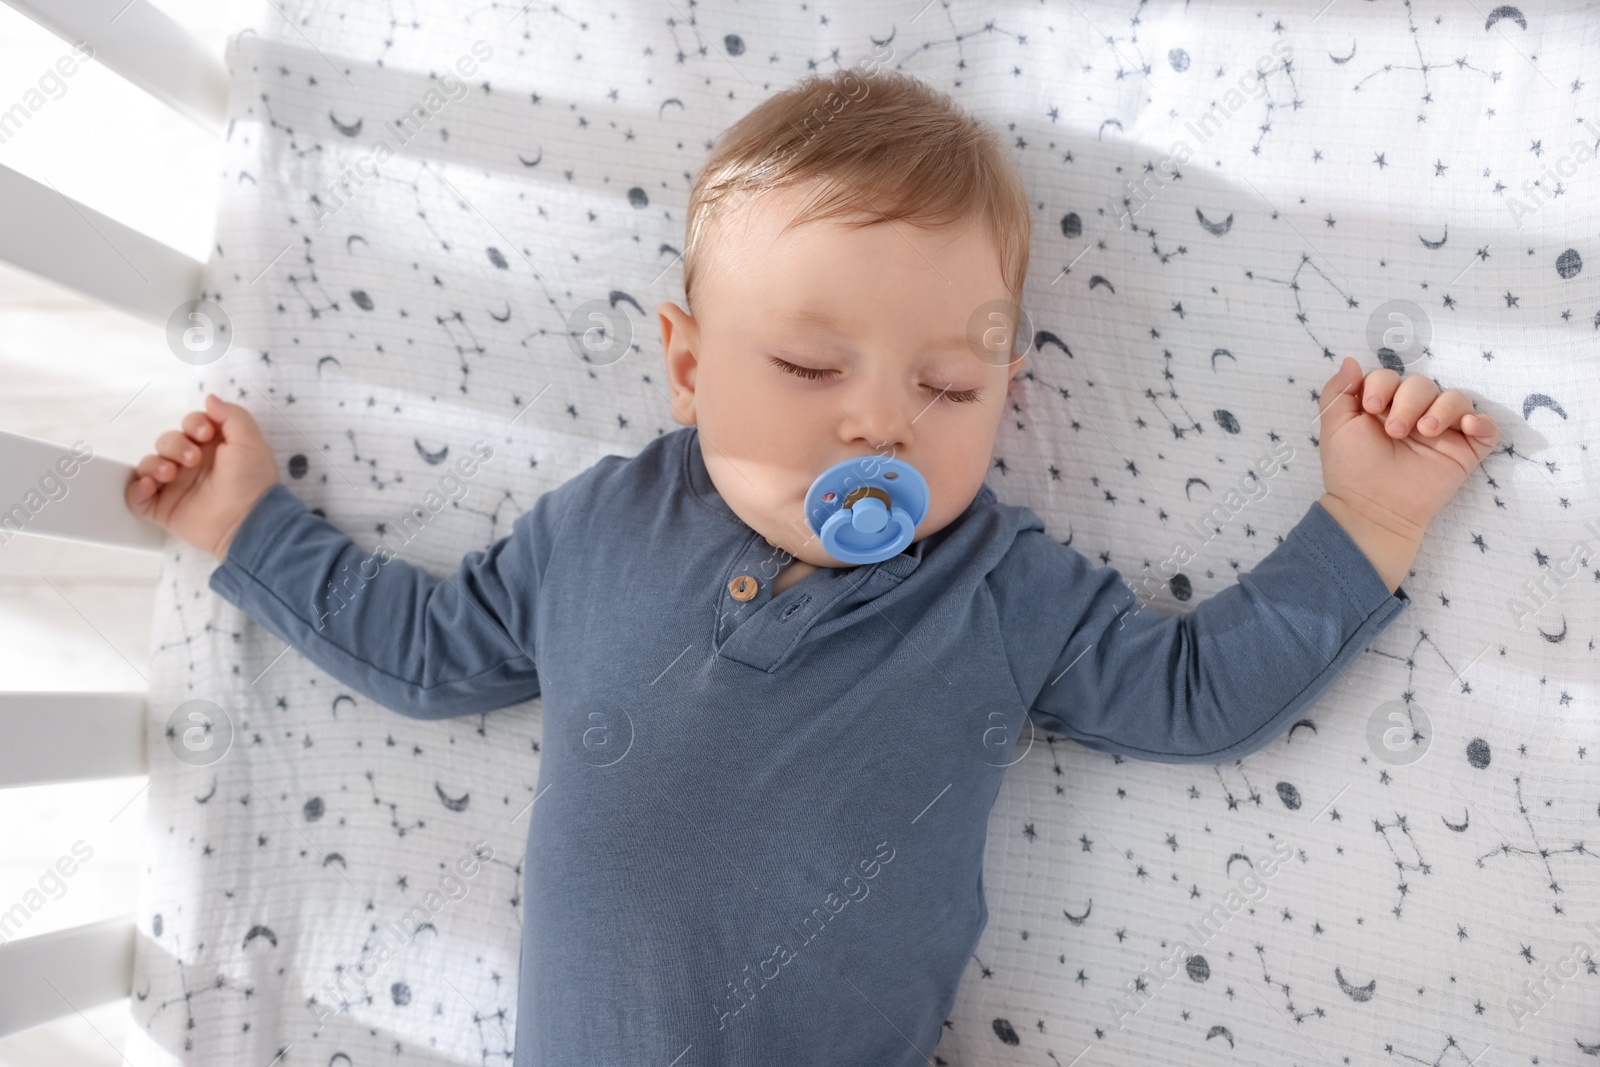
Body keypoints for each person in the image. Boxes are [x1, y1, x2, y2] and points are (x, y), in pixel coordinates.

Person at [124, 67, 1498, 1066]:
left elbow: (1196, 693)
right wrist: (251, 529)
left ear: (1006, 396)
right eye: (805, 365)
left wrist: (1365, 522)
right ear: (686, 364)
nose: (878, 422)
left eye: (948, 388)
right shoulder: (603, 526)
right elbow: (429, 653)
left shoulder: (1004, 588)